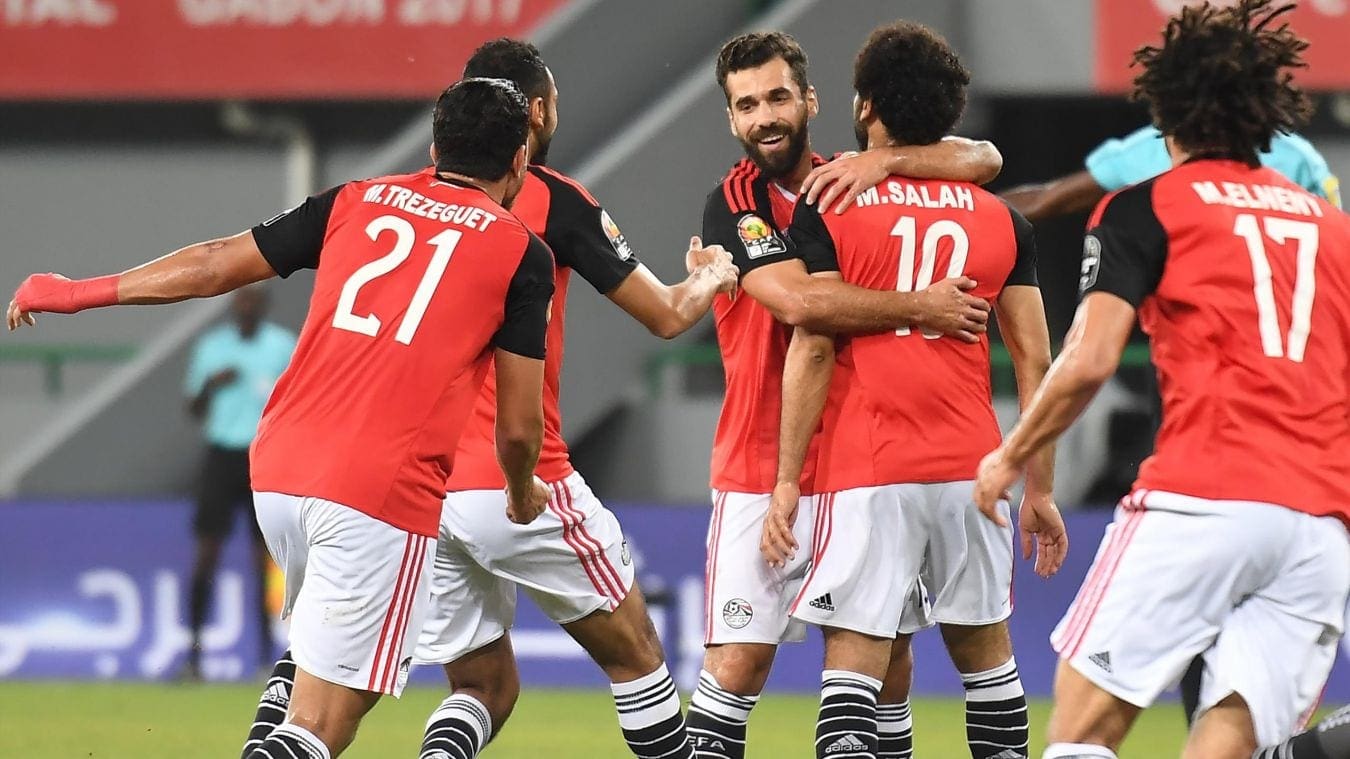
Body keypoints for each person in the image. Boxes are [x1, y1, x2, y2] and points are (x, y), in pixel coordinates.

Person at [8, 77, 555, 759]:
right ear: (519, 162)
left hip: (279, 470)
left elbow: (214, 265)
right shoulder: (522, 254)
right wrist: (520, 489)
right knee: (328, 724)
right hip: (376, 489)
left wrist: (77, 292)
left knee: (307, 672)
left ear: (434, 148)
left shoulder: (354, 200)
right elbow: (518, 428)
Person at [971, 3, 1350, 757]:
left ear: (1166, 112)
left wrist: (1011, 455)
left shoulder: (1146, 207)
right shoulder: (1333, 229)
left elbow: (1089, 358)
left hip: (1202, 499)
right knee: (1231, 742)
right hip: (1320, 525)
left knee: (1081, 731)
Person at [402, 39, 739, 759]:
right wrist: (712, 275)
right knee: (637, 655)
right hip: (516, 479)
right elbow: (667, 314)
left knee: (481, 686)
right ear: (536, 111)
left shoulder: (403, 203)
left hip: (422, 489)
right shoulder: (554, 200)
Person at [687, 30, 1007, 759]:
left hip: (860, 463)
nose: (765, 117)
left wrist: (886, 158)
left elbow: (985, 158)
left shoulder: (854, 181)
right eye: (746, 106)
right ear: (731, 120)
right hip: (759, 467)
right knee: (739, 662)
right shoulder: (735, 205)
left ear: (810, 100)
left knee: (888, 667)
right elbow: (802, 306)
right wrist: (919, 305)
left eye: (776, 97)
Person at [760, 22, 1067, 759]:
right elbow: (1037, 359)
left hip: (870, 467)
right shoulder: (1002, 218)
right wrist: (1040, 487)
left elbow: (814, 344)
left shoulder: (831, 200)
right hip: (974, 471)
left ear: (865, 105)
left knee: (855, 668)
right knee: (989, 665)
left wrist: (787, 479)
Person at [181, 284, 295, 680]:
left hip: (263, 457)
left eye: (253, 300)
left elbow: (297, 401)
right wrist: (210, 385)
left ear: (264, 306)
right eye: (241, 299)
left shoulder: (282, 346)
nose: (246, 306)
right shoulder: (213, 348)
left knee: (264, 560)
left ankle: (265, 658)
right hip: (221, 455)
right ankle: (194, 656)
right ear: (233, 305)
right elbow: (193, 409)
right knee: (206, 556)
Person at [1002, 123, 1341, 224]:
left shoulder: (1298, 160)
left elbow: (1335, 249)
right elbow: (1048, 199)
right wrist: (972, 209)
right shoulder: (1149, 149)